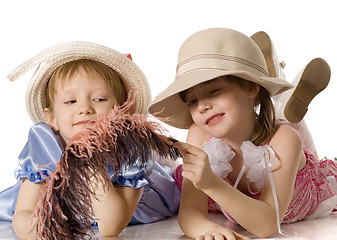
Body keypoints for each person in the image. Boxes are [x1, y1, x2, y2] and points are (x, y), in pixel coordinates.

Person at [148, 28, 336, 239]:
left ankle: (281, 94)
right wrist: (205, 229)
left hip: (299, 192)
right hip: (237, 201)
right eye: (193, 101)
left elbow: (266, 225)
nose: (202, 107)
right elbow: (190, 211)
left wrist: (211, 182)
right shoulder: (199, 135)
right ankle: (273, 81)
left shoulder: (284, 140)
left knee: (289, 129)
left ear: (251, 86)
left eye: (213, 91)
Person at [0, 42, 180, 239]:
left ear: (121, 111)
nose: (85, 108)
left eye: (100, 99)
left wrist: (92, 165)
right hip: (57, 209)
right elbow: (24, 211)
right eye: (71, 101)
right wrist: (38, 232)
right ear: (51, 118)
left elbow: (111, 228)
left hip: (120, 208)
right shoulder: (45, 145)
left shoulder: (130, 151)